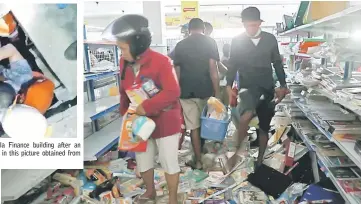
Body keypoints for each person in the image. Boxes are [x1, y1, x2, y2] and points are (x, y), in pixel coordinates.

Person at [102, 14, 181, 204]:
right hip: (138, 121)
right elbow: (124, 89)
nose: (120, 53)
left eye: (122, 48)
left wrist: (146, 107)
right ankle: (150, 191)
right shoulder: (124, 63)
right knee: (143, 159)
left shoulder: (162, 61)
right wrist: (125, 114)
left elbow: (173, 91)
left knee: (168, 161)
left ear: (137, 44)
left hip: (165, 121)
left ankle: (172, 198)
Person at [226, 7, 289, 170]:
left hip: (266, 86)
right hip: (246, 86)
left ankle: (260, 159)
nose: (251, 28)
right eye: (248, 25)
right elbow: (232, 65)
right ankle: (235, 153)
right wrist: (228, 85)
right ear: (243, 24)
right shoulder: (237, 41)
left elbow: (277, 63)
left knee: (264, 126)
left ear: (260, 23)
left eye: (254, 25)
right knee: (245, 117)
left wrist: (283, 85)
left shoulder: (270, 39)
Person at [173, 18, 220, 170]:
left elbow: (177, 72)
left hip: (186, 92)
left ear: (189, 30)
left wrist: (175, 93)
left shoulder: (180, 45)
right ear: (203, 29)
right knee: (205, 123)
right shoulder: (210, 42)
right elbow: (214, 70)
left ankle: (198, 160)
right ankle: (202, 150)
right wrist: (217, 93)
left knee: (194, 127)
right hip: (205, 90)